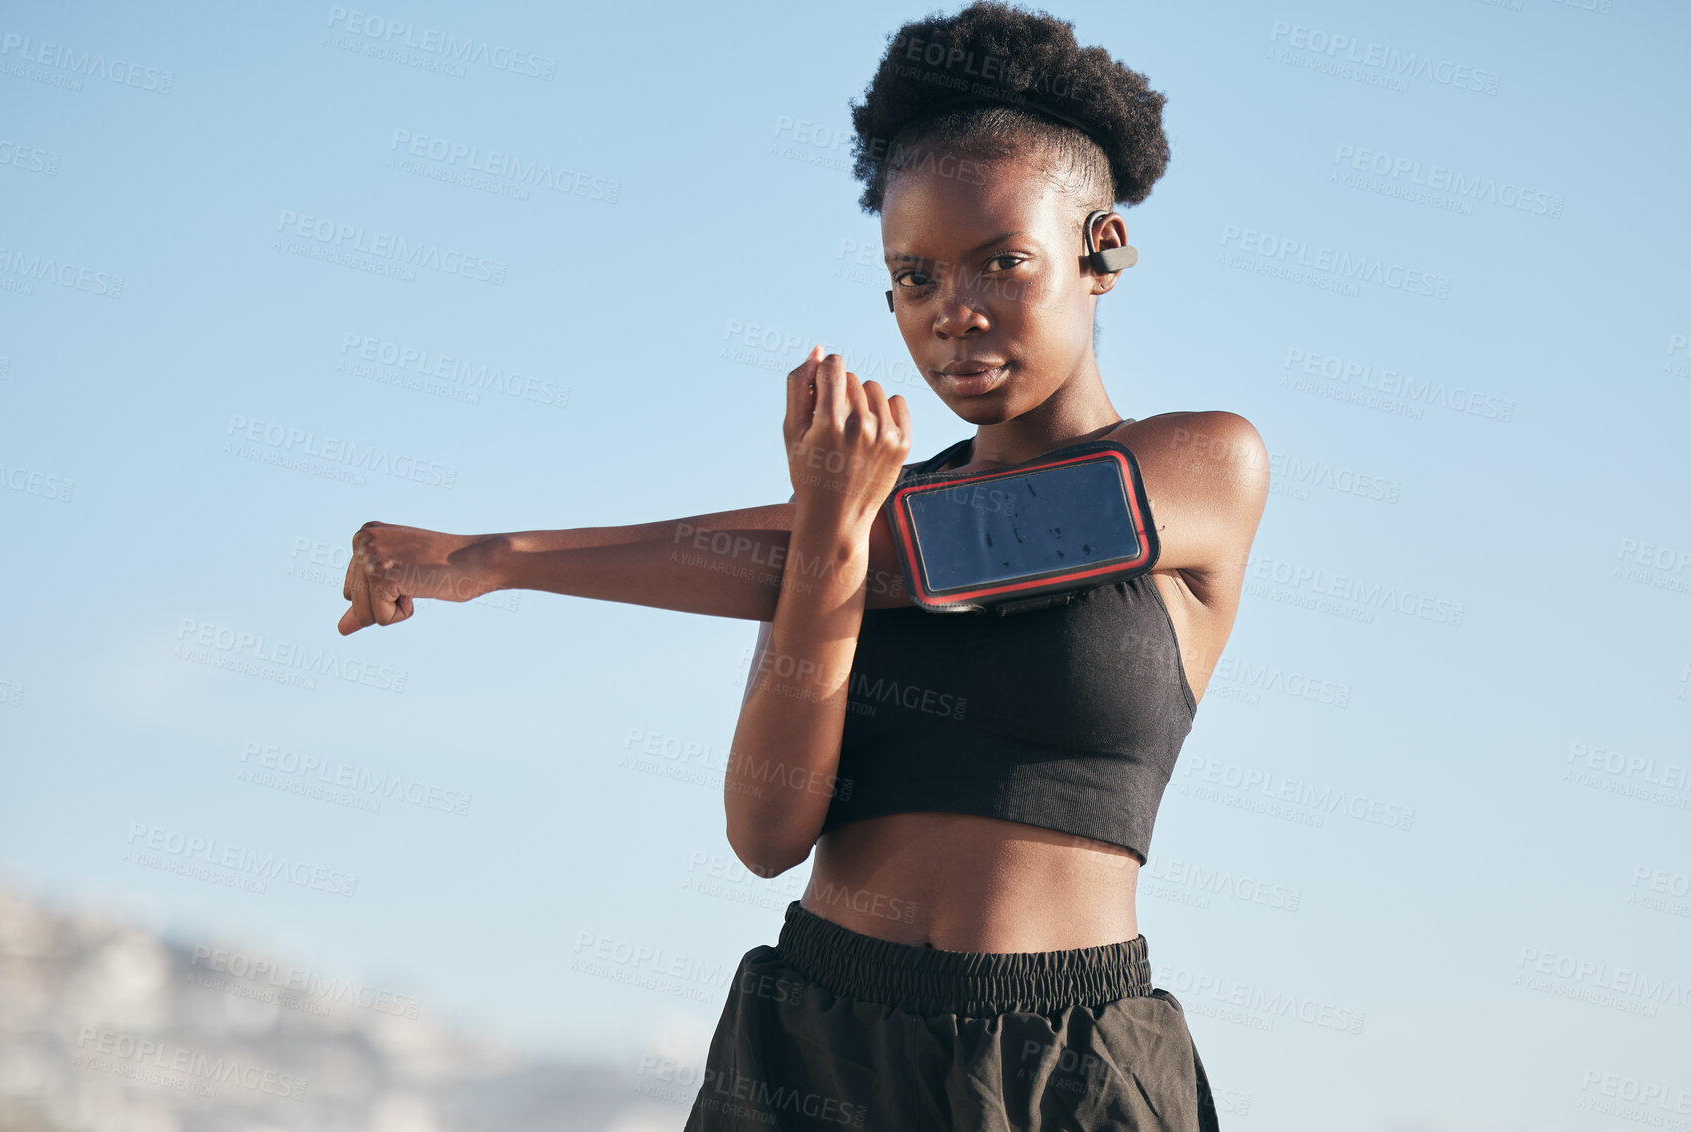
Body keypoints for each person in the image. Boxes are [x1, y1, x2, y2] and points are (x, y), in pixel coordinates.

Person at [337, 3, 1269, 1128]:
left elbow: (945, 550)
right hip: (808, 1045)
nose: (951, 313)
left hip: (1061, 1066)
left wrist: (496, 557)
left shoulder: (1204, 464)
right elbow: (766, 833)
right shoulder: (842, 519)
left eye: (1001, 263)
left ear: (1100, 249)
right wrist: (824, 528)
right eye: (913, 276)